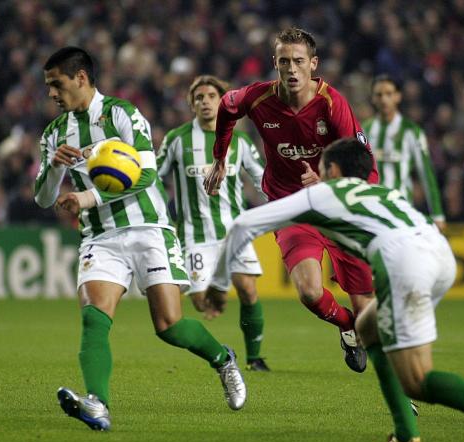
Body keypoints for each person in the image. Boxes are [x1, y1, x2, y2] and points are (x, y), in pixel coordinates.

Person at [209, 138, 464, 442]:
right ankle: (406, 438)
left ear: (331, 170)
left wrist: (217, 284)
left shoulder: (324, 192)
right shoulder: (382, 192)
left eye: (321, 168)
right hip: (440, 255)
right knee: (367, 327)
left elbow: (244, 225)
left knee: (418, 381)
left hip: (405, 264)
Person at [34, 47, 246, 431]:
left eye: (56, 84)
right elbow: (43, 197)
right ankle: (97, 404)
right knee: (94, 318)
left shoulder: (122, 114)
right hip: (100, 236)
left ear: (80, 78)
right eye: (48, 85)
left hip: (149, 229)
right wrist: (53, 167)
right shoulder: (54, 133)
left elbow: (147, 175)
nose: (51, 93)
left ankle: (223, 359)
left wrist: (88, 196)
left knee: (169, 325)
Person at [204, 27, 378, 373]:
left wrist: (330, 183)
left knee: (368, 313)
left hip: (336, 209)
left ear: (313, 64)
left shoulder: (333, 105)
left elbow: (367, 168)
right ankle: (346, 326)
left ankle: (394, 382)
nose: (292, 69)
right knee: (310, 292)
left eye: (299, 61)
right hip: (290, 207)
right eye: (284, 61)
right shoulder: (258, 98)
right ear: (275, 64)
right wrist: (220, 157)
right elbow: (226, 107)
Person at [157, 75, 270, 371]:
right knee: (201, 304)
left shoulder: (240, 141)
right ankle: (221, 352)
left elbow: (262, 180)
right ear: (192, 104)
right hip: (194, 236)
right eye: (199, 97)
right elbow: (154, 178)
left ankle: (255, 357)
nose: (205, 101)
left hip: (234, 232)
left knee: (248, 290)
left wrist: (285, 205)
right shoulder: (177, 139)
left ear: (222, 101)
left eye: (211, 96)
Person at [363, 74, 445, 230]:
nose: (383, 99)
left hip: (401, 210)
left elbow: (426, 174)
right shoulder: (364, 130)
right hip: (371, 210)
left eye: (389, 94)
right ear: (373, 98)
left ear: (398, 97)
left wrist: (438, 215)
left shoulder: (412, 131)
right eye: (379, 95)